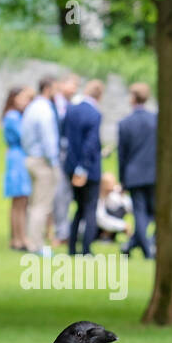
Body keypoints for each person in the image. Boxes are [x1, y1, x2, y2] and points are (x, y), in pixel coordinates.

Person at [117, 82, 157, 259]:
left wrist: (122, 179)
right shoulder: (155, 120)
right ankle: (141, 247)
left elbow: (122, 155)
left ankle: (142, 248)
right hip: (154, 173)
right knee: (149, 212)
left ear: (132, 98)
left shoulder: (125, 123)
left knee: (141, 213)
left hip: (133, 174)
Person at [21, 77, 61, 252]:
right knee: (41, 205)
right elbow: (48, 138)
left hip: (30, 157)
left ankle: (33, 241)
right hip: (42, 161)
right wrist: (53, 161)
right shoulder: (45, 110)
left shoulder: (32, 107)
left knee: (34, 204)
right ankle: (36, 244)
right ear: (48, 88)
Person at [64, 79, 104, 255]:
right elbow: (91, 143)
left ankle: (72, 247)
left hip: (71, 167)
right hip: (88, 169)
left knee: (79, 208)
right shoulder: (94, 114)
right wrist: (84, 166)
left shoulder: (72, 110)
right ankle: (86, 248)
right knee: (89, 209)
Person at [2, 86, 34, 251]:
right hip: (18, 158)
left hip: (17, 156)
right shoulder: (13, 116)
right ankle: (19, 238)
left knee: (20, 202)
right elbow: (25, 136)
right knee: (19, 200)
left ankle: (18, 237)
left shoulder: (14, 116)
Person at [52, 74, 80, 244]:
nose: (75, 89)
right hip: (55, 155)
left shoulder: (71, 106)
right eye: (72, 84)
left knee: (64, 195)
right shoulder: (54, 104)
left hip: (67, 156)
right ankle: (58, 232)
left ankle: (62, 232)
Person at [95, 173, 132, 242]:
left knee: (120, 209)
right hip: (96, 227)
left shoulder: (115, 192)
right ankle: (104, 236)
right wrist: (123, 225)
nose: (111, 186)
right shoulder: (96, 196)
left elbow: (129, 206)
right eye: (108, 184)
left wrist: (121, 195)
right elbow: (100, 219)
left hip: (112, 220)